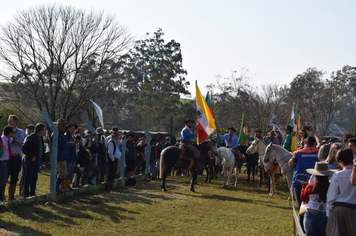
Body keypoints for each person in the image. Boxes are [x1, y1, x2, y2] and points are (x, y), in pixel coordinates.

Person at [288, 136, 320, 232]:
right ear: (314, 143)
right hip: (315, 182)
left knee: (301, 205)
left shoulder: (298, 153)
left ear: (305, 142)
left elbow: (290, 164)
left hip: (299, 181)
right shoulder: (318, 152)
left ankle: (302, 229)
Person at [300, 162, 335, 236]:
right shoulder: (331, 187)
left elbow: (303, 198)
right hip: (325, 215)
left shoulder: (310, 186)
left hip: (311, 213)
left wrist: (304, 185)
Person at [327, 148, 356, 235]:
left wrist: (328, 212)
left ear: (340, 161)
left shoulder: (337, 175)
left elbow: (331, 195)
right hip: (353, 209)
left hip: (339, 209)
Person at [21, 123, 46, 198]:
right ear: (40, 130)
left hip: (37, 161)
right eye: (44, 129)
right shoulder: (31, 137)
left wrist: (42, 160)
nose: (45, 131)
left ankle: (32, 193)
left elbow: (42, 149)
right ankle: (26, 194)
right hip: (29, 161)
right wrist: (31, 156)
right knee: (28, 177)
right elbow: (24, 148)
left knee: (34, 178)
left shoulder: (40, 138)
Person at [7, 115, 25, 200]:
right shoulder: (6, 131)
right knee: (5, 175)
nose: (9, 123)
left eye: (10, 121)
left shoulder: (20, 131)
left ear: (15, 122)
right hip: (8, 157)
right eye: (8, 121)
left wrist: (15, 135)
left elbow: (21, 141)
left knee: (15, 176)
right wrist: (17, 142)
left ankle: (11, 195)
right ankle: (2, 195)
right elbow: (7, 143)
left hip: (17, 157)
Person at [52, 118, 71, 193]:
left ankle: (57, 187)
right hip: (60, 155)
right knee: (63, 172)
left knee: (61, 172)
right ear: (59, 125)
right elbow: (59, 144)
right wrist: (68, 144)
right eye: (62, 125)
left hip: (62, 155)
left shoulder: (61, 133)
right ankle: (56, 186)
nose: (64, 127)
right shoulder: (57, 133)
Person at [0, 126, 16, 201]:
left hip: (6, 161)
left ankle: (2, 196)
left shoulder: (8, 140)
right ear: (9, 133)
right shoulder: (2, 139)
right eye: (12, 132)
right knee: (2, 180)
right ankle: (1, 197)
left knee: (4, 180)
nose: (13, 133)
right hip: (1, 161)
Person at [64, 123, 78, 191]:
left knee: (71, 171)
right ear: (68, 129)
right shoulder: (66, 136)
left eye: (74, 128)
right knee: (67, 171)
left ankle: (68, 184)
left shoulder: (73, 136)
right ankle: (65, 185)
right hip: (68, 156)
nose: (74, 129)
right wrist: (71, 144)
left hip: (72, 156)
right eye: (72, 128)